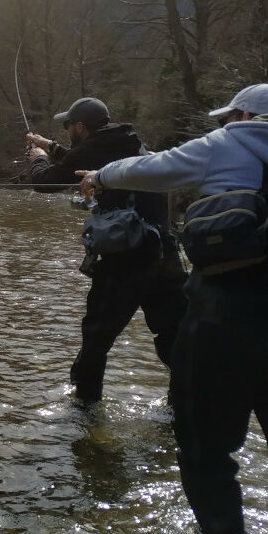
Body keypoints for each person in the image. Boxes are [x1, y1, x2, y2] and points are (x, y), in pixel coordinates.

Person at [78, 83, 268, 534]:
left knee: (203, 443)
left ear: (246, 115)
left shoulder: (230, 142)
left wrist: (102, 176)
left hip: (218, 319)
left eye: (226, 117)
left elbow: (154, 168)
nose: (221, 126)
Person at [26, 96, 187, 404]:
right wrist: (48, 144)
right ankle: (186, 403)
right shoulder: (128, 141)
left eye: (68, 126)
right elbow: (77, 158)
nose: (67, 131)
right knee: (172, 335)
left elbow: (44, 182)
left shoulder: (95, 147)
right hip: (165, 255)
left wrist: (37, 158)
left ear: (81, 127)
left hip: (126, 259)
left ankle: (85, 414)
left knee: (96, 339)